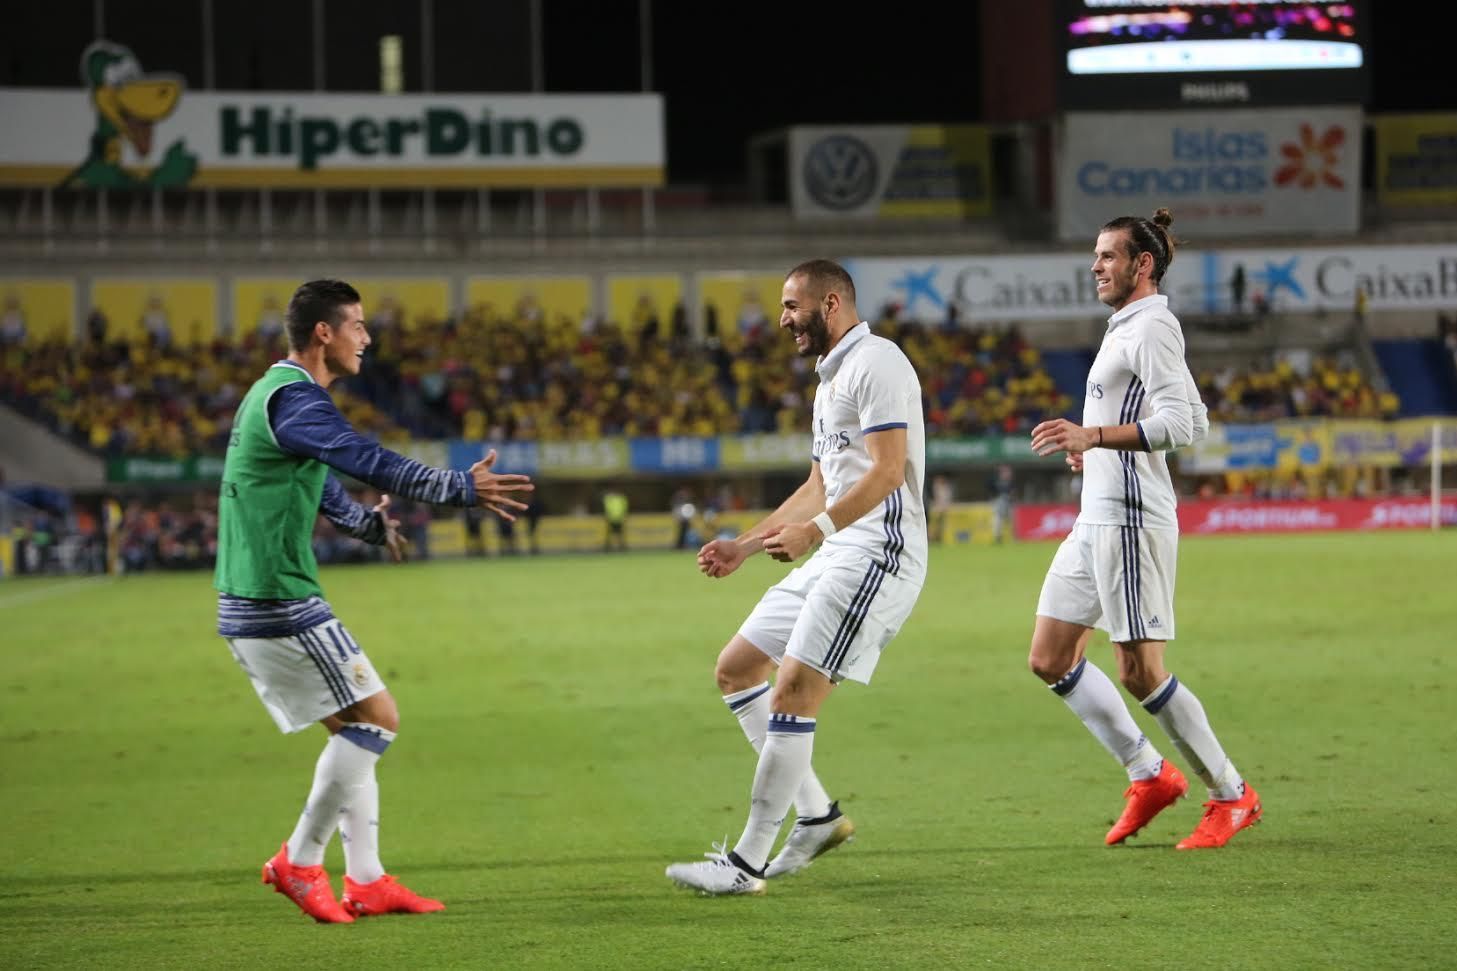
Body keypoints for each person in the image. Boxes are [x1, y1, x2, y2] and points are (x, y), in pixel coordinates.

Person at [214, 279, 533, 923]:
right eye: (357, 324)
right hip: (276, 598)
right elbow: (359, 455)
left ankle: (365, 879)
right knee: (376, 720)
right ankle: (300, 862)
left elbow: (318, 476)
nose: (368, 336)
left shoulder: (275, 396)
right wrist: (454, 487)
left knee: (355, 733)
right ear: (324, 333)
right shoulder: (296, 398)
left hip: (261, 596)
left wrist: (365, 525)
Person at [666, 259, 927, 895]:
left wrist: (818, 533)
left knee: (793, 693)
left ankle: (746, 865)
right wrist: (746, 546)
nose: (781, 320)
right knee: (736, 667)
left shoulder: (878, 363)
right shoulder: (830, 377)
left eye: (790, 307)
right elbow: (818, 486)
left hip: (877, 553)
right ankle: (817, 816)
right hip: (838, 549)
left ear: (831, 302)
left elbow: (889, 471)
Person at [1026, 208, 1261, 850]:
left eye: (1107, 256)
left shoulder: (1154, 326)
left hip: (1131, 520)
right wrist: (1092, 450)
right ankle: (1149, 774)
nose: (1096, 266)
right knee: (1049, 656)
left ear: (1142, 264)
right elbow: (1191, 409)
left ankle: (1232, 794)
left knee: (1139, 670)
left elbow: (1186, 425)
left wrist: (1096, 436)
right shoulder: (1129, 325)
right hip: (1095, 516)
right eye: (1096, 255)